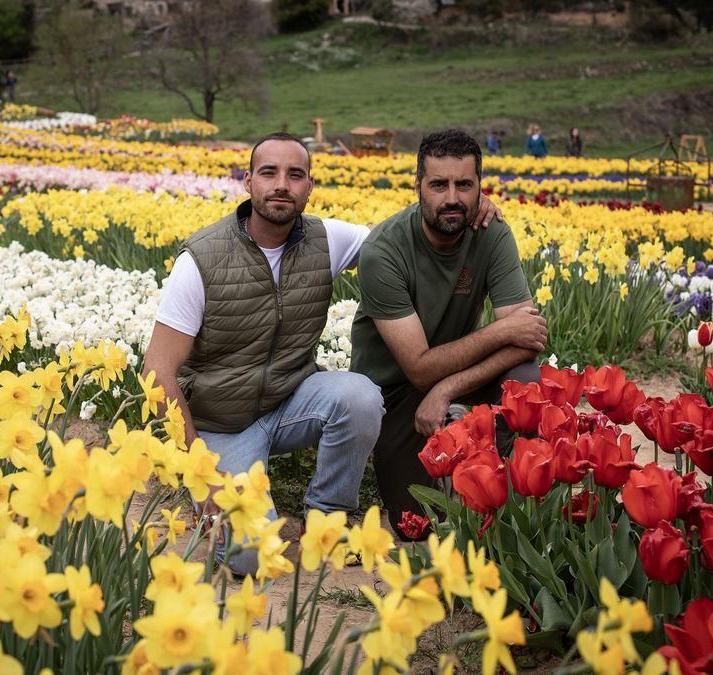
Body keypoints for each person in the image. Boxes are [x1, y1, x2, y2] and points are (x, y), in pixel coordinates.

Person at [143, 132, 503, 573]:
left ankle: (325, 522)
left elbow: (401, 241)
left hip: (289, 401)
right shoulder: (200, 260)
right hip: (222, 424)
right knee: (251, 557)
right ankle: (247, 507)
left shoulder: (326, 239)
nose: (282, 185)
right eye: (269, 173)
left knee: (360, 396)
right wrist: (199, 475)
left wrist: (463, 209)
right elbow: (157, 371)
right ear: (247, 181)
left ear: (310, 186)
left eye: (295, 175)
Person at [349, 129, 546, 541]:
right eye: (439, 184)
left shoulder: (491, 233)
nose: (452, 197)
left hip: (456, 376)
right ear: (418, 186)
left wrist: (448, 389)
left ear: (480, 189)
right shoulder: (384, 251)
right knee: (421, 528)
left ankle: (513, 485)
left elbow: (526, 338)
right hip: (394, 395)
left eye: (464, 184)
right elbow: (419, 371)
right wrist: (502, 329)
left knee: (526, 378)